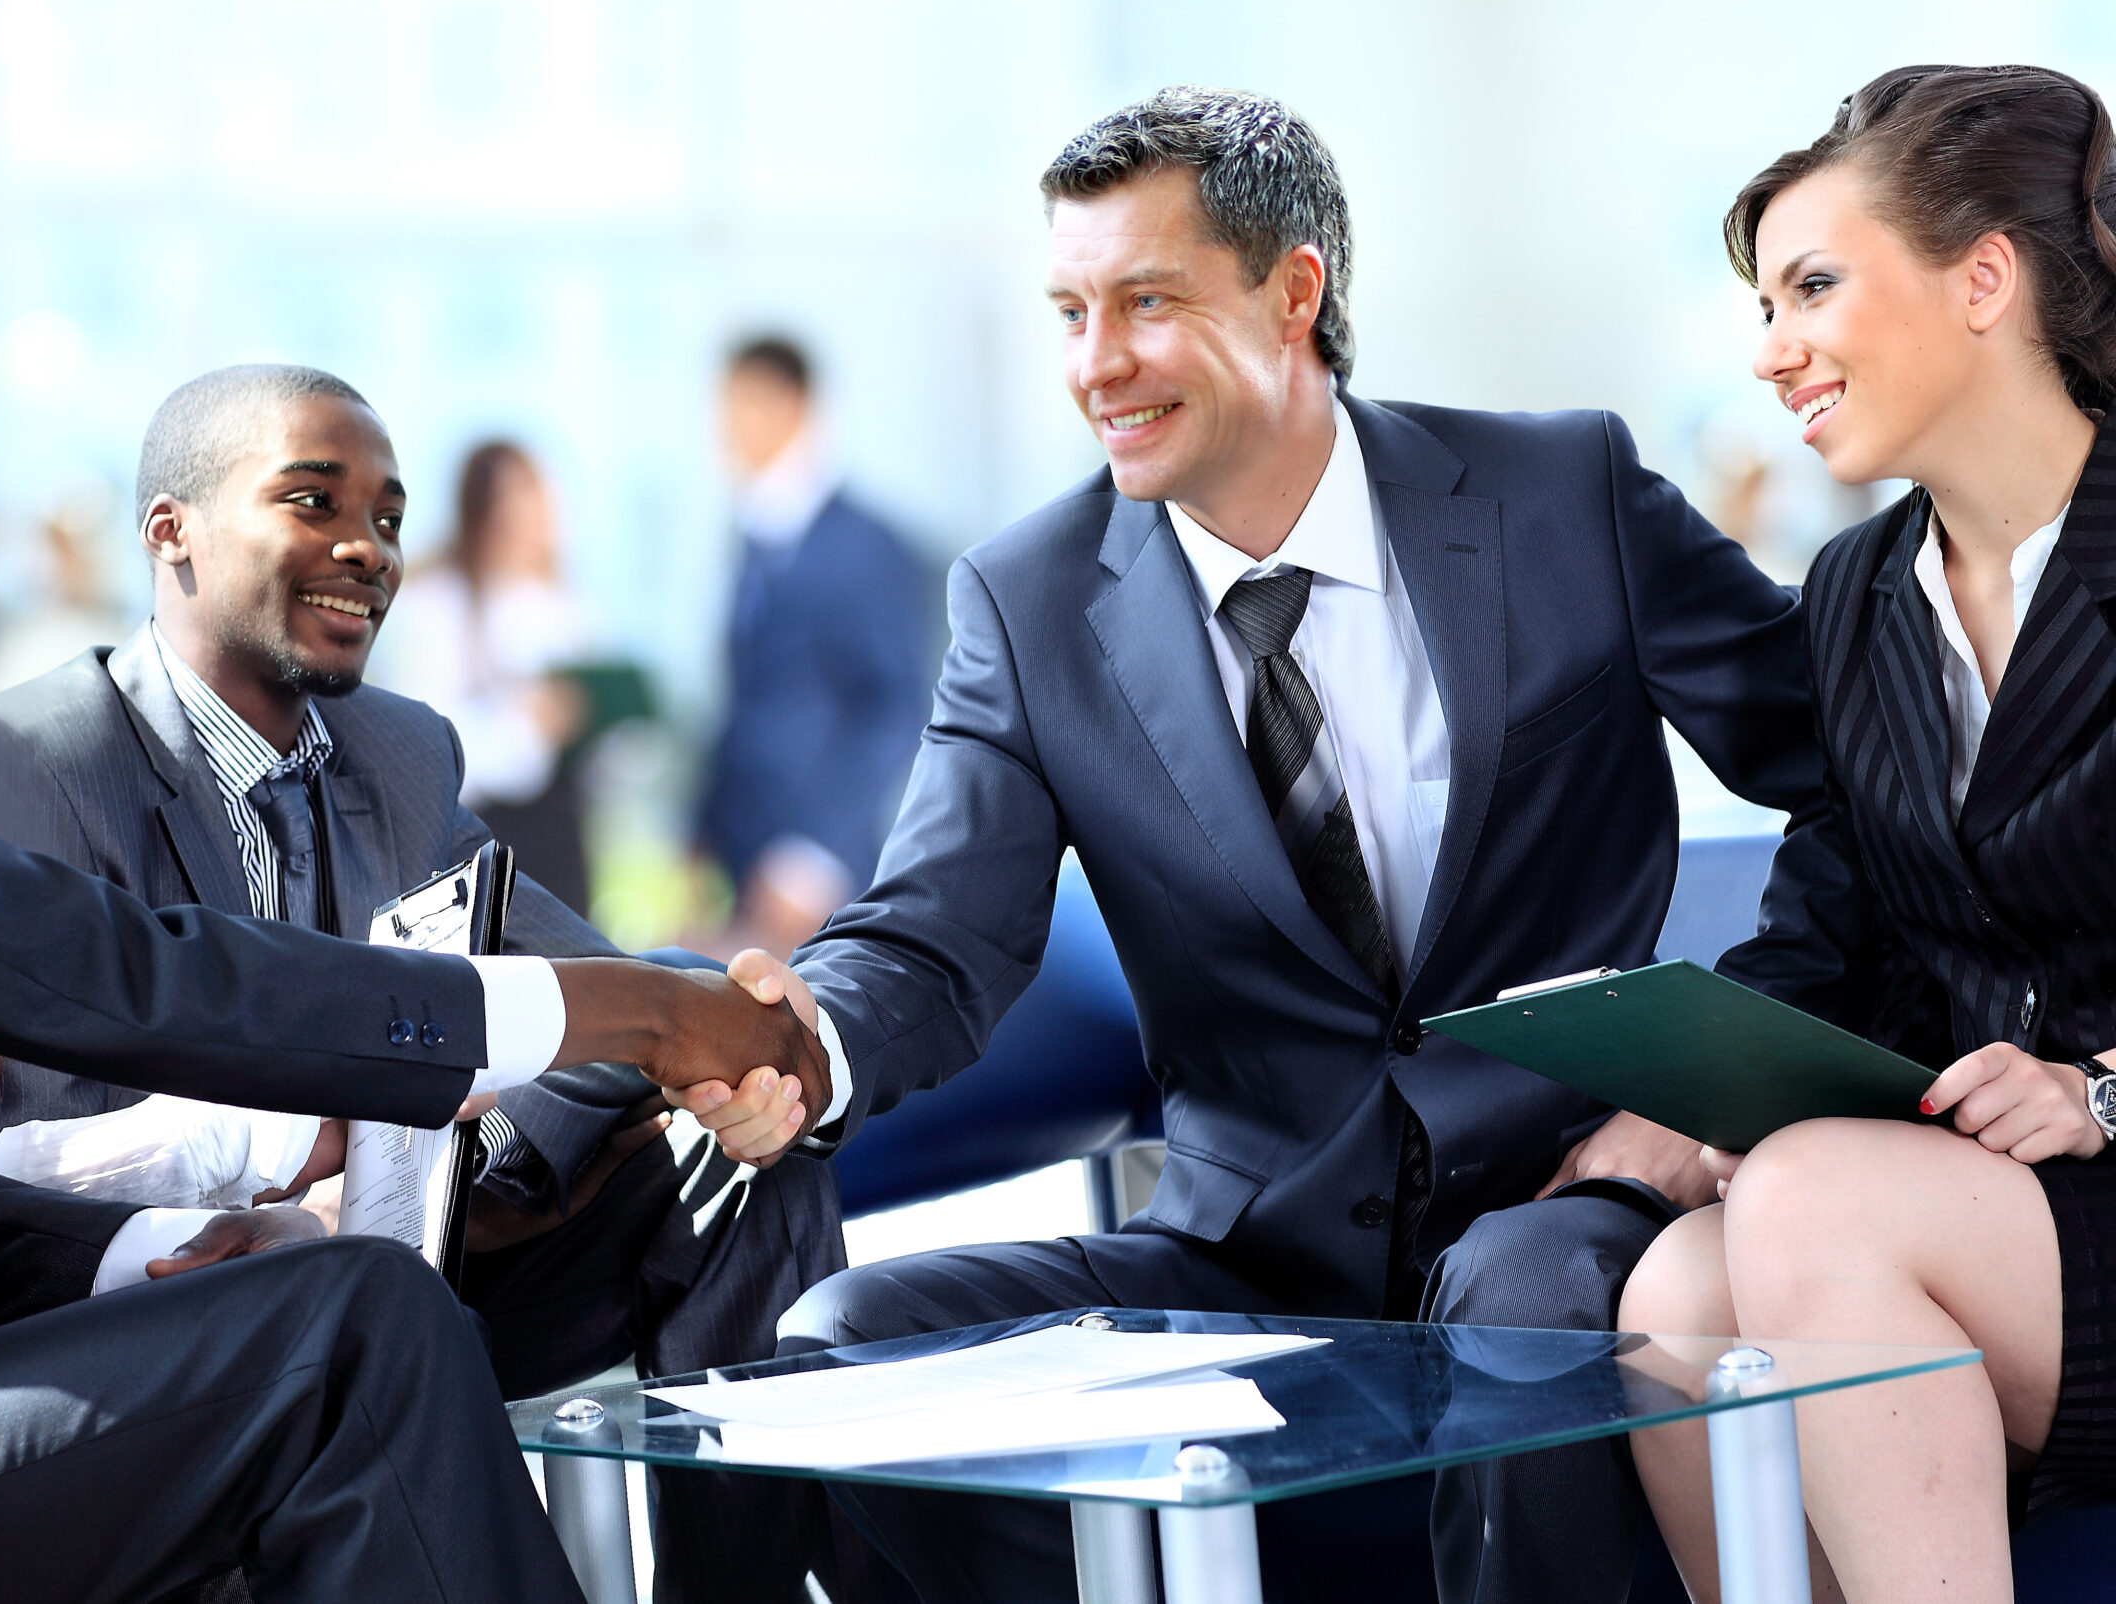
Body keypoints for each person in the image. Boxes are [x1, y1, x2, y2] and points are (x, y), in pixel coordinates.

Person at [0, 263, 829, 1604]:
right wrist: (629, 1013)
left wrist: (164, 1248)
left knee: (351, 1302)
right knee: (353, 1333)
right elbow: (111, 972)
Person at [725, 86, 1846, 1604]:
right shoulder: (1029, 599)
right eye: (1070, 310)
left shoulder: (1558, 496)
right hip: (1241, 1266)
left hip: (1558, 1209)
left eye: (1145, 301)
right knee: (841, 1349)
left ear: (1294, 290)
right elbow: (935, 932)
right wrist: (805, 1042)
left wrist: (1698, 1089)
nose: (1094, 363)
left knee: (1514, 1300)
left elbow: (1856, 785)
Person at [0, 368, 850, 1603]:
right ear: (171, 532)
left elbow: (587, 987)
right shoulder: (35, 754)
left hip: (416, 1246)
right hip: (201, 1296)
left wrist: (497, 1162)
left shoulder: (400, 750)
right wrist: (316, 1190)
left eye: (389, 517)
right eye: (311, 501)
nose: (364, 547)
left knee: (754, 1167)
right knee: (367, 1307)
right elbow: (44, 1155)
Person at [1619, 64, 2116, 1604]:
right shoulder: (1853, 597)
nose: (1774, 355)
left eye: (1813, 288)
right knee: (1677, 1285)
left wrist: (2106, 1088)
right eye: (1764, 308)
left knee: (1815, 1205)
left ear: (1985, 278)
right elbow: (1836, 932)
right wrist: (1705, 1081)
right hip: (2002, 1208)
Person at [695, 335, 937, 959]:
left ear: (794, 404)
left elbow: (893, 708)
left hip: (813, 872)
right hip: (741, 861)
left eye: (745, 403)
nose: (729, 426)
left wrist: (814, 855)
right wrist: (699, 837)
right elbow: (746, 704)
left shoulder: (864, 544)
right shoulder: (752, 533)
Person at [368, 439, 595, 915]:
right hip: (477, 844)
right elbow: (426, 742)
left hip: (559, 845)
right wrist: (527, 728)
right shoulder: (436, 604)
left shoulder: (562, 608)